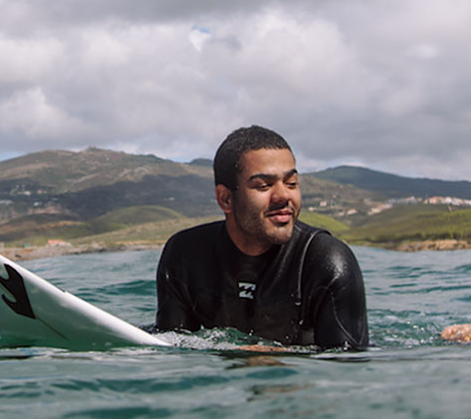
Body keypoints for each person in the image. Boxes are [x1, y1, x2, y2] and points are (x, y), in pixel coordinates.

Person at [155, 126, 369, 350]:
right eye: (264, 186)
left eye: (291, 183)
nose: (284, 196)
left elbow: (347, 367)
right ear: (226, 199)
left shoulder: (326, 260)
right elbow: (173, 350)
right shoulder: (186, 255)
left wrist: (280, 359)